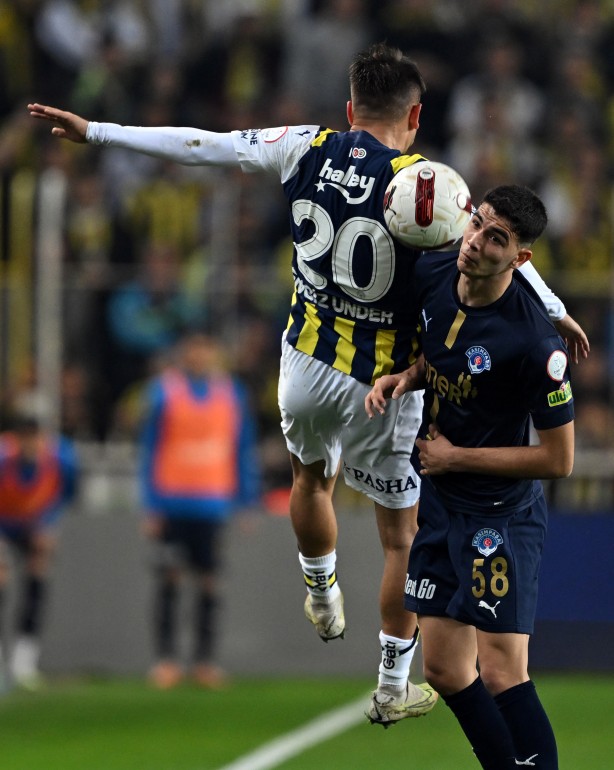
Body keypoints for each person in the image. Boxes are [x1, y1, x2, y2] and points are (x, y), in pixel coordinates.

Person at [27, 42, 588, 724]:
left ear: (350, 108)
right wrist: (557, 310)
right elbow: (491, 254)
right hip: (388, 385)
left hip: (305, 366)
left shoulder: (304, 145)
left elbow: (205, 144)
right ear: (415, 115)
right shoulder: (428, 185)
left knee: (309, 481)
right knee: (399, 538)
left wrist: (99, 131)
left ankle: (320, 590)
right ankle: (389, 683)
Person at [366, 185, 573, 767]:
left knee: (503, 670)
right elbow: (446, 359)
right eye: (477, 225)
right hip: (440, 503)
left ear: (519, 260)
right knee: (445, 669)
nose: (475, 244)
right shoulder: (435, 271)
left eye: (495, 240)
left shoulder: (534, 343)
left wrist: (456, 458)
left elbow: (559, 461)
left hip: (498, 517)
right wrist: (407, 377)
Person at [138, 330, 261, 689]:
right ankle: (166, 660)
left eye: (205, 349)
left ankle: (205, 661)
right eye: (193, 350)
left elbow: (242, 447)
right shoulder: (163, 391)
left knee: (209, 583)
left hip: (212, 503)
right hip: (172, 501)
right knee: (170, 577)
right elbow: (149, 447)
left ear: (214, 353)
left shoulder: (231, 393)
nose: (199, 356)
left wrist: (246, 500)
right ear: (184, 353)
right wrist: (150, 504)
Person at [0, 413, 79, 689]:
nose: (29, 445)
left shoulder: (62, 459)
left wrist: (48, 525)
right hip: (4, 525)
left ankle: (25, 658)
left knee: (38, 575)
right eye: (24, 439)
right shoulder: (2, 459)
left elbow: (66, 495)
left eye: (35, 439)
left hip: (36, 525)